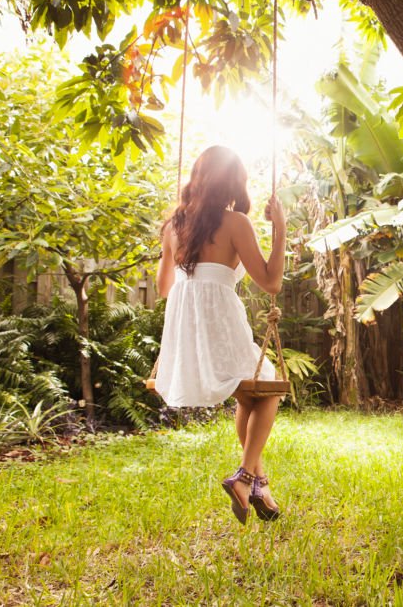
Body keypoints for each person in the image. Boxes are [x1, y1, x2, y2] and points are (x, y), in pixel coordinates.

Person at [154, 145, 287, 524]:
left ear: (197, 180)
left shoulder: (173, 227)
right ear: (234, 183)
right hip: (220, 322)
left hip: (187, 334)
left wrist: (170, 252)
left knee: (249, 396)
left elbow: (164, 289)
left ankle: (259, 482)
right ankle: (246, 476)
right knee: (270, 388)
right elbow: (271, 282)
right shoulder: (236, 223)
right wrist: (281, 230)